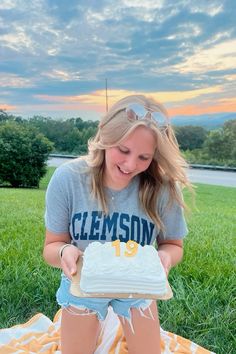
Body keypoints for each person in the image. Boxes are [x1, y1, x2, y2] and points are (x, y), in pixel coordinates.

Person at [43, 94, 192, 354]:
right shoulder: (68, 179)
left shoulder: (162, 187)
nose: (130, 164)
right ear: (104, 135)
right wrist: (65, 252)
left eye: (144, 157)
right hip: (84, 281)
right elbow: (51, 246)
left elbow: (173, 245)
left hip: (137, 284)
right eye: (123, 150)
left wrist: (165, 258)